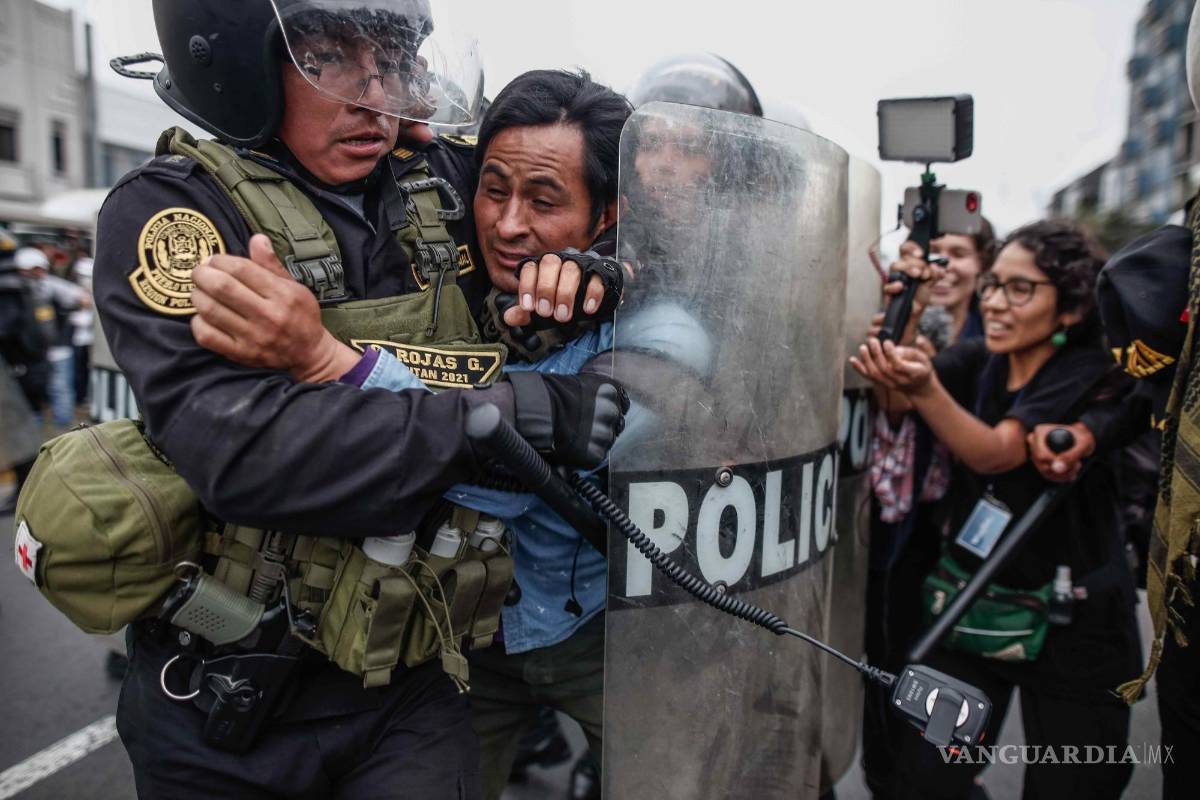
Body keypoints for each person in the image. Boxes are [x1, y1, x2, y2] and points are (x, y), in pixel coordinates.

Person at [90, 3, 624, 797]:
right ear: (240, 61)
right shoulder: (177, 215)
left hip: (415, 672)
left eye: (392, 61)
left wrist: (600, 270)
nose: (376, 95)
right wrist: (511, 417)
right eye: (333, 59)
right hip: (231, 689)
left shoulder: (443, 179)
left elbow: (609, 198)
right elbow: (249, 456)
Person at [852, 220, 1141, 799]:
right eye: (993, 287)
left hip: (1076, 625)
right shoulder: (981, 357)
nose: (997, 303)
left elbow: (996, 454)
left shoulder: (1090, 372)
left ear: (1070, 308)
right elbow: (895, 398)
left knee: (1072, 785)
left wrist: (927, 390)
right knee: (923, 780)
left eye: (1021, 289)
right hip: (976, 604)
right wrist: (904, 317)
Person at [860, 221, 996, 800]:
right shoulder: (907, 316)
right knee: (894, 656)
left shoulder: (1002, 333)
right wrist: (902, 312)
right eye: (932, 255)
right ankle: (889, 775)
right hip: (908, 526)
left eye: (958, 255)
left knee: (962, 675)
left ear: (984, 265)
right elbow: (893, 398)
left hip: (975, 530)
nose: (943, 268)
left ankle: (949, 780)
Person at [13, 246, 88, 427]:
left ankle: (60, 429)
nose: (39, 273)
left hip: (53, 350)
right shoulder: (18, 287)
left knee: (58, 388)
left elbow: (84, 299)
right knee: (38, 391)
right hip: (31, 353)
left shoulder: (49, 286)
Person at [0, 245, 48, 515]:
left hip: (20, 371)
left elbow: (6, 329)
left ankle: (27, 492)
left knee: (23, 435)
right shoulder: (18, 285)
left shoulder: (8, 288)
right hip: (28, 369)